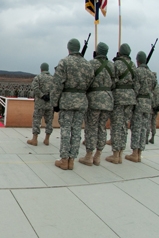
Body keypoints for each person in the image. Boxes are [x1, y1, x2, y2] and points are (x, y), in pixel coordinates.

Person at [51, 38, 93, 170]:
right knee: (76, 131)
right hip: (81, 101)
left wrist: (54, 102)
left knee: (66, 131)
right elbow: (90, 82)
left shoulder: (64, 62)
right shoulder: (87, 64)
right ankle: (72, 160)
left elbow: (57, 85)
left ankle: (64, 159)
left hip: (67, 101)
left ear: (69, 48)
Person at [79, 43, 114, 166]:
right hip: (108, 100)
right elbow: (114, 83)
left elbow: (86, 81)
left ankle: (89, 156)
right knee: (102, 128)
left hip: (94, 99)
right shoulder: (112, 66)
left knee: (91, 127)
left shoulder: (91, 64)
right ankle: (98, 156)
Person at [106, 43, 136, 164]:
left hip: (119, 97)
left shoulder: (117, 64)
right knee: (124, 125)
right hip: (130, 97)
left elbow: (112, 82)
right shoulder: (133, 66)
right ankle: (121, 152)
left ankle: (115, 154)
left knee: (117, 125)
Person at [125, 51, 154, 163]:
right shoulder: (151, 73)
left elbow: (135, 88)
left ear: (138, 61)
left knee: (136, 127)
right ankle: (140, 153)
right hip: (148, 103)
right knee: (143, 128)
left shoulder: (137, 72)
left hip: (139, 102)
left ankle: (134, 153)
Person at [28, 62, 55, 146]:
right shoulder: (53, 78)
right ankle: (47, 139)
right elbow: (56, 89)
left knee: (37, 120)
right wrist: (50, 96)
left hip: (40, 103)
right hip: (50, 103)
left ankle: (35, 139)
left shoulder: (38, 77)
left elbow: (35, 88)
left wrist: (42, 96)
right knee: (49, 121)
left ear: (41, 69)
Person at [148, 72, 159, 144]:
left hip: (151, 107)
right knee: (153, 123)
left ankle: (145, 138)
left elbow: (150, 96)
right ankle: (153, 137)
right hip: (156, 108)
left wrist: (153, 105)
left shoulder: (151, 86)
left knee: (148, 123)